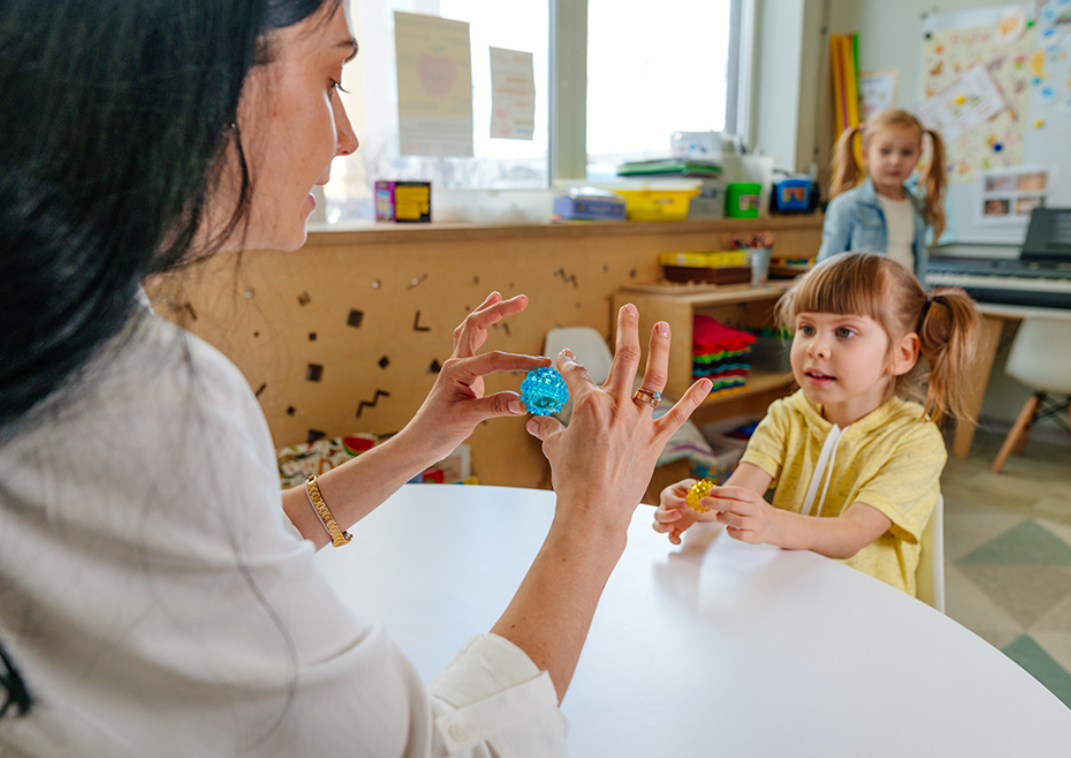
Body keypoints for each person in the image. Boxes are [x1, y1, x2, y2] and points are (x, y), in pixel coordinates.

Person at [0, 1, 711, 755]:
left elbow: (205, 550)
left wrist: (416, 445)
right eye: (332, 79)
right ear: (192, 85)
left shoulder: (53, 332)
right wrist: (594, 519)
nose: (347, 136)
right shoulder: (149, 398)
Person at [652, 253, 979, 596]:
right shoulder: (786, 415)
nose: (816, 348)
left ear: (903, 354)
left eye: (845, 331)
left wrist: (773, 523)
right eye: (807, 328)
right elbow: (741, 493)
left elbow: (855, 532)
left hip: (866, 608)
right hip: (790, 592)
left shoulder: (916, 441)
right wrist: (699, 502)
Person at [817, 109, 948, 282]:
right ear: (865, 154)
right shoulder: (848, 205)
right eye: (885, 151)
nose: (896, 161)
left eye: (907, 152)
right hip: (863, 304)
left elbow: (918, 267)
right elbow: (826, 268)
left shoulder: (917, 205)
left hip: (905, 302)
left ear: (919, 156)